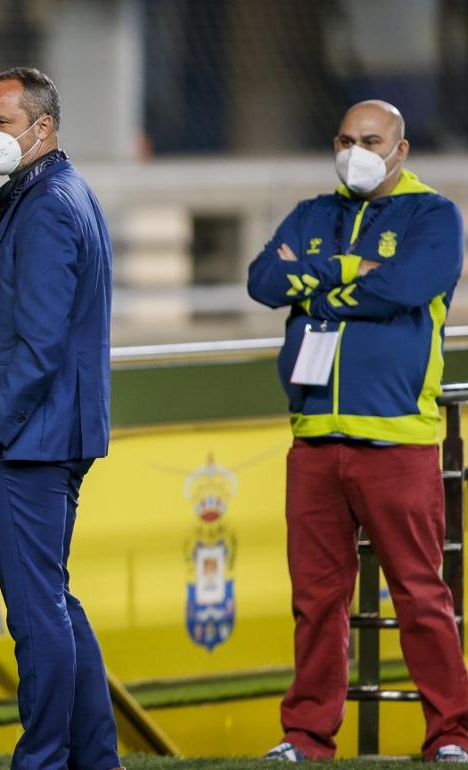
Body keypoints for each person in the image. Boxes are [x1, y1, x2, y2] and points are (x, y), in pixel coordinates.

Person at [247, 100, 468, 763]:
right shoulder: (317, 212)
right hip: (315, 438)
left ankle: (452, 734)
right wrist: (349, 271)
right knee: (317, 601)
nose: (356, 151)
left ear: (400, 150)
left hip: (399, 438)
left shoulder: (434, 216)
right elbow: (263, 279)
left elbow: (405, 287)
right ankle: (307, 737)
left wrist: (313, 283)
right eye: (345, 140)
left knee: (421, 596)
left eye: (370, 140)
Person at [0, 67, 120, 770]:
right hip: (49, 431)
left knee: (35, 614)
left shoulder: (50, 202)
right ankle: (95, 756)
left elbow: (43, 339)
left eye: (0, 122)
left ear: (42, 128)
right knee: (53, 599)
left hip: (30, 439)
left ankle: (45, 760)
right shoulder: (57, 191)